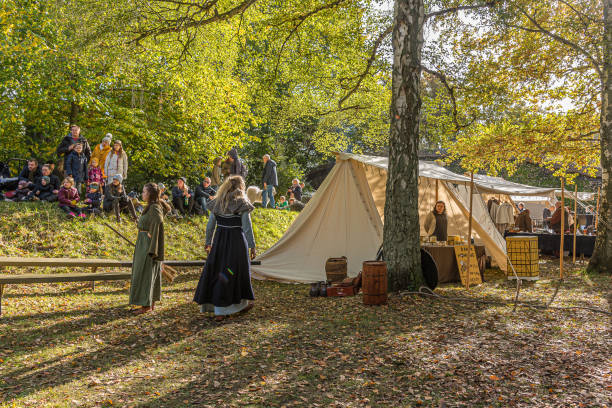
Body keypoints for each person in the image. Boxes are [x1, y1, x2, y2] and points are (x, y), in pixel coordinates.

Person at [193, 175, 256, 322]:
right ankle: (236, 305)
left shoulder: (218, 202)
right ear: (241, 186)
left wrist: (208, 242)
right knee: (236, 272)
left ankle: (220, 310)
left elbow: (210, 226)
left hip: (220, 241)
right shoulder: (242, 202)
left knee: (219, 270)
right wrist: (252, 246)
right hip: (236, 242)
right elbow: (247, 227)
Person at [129, 183, 170, 315]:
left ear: (150, 194)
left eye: (144, 192)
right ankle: (148, 303)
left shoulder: (154, 208)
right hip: (143, 242)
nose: (142, 194)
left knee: (145, 273)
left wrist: (152, 232)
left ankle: (146, 306)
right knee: (146, 272)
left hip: (147, 244)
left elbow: (158, 219)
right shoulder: (152, 206)